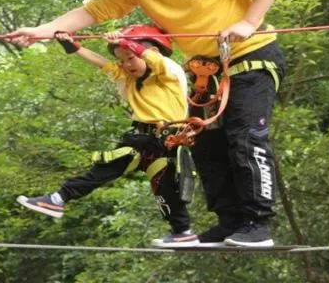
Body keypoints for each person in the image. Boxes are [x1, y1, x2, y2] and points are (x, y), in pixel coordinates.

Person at [8, 0, 287, 247]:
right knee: (207, 147)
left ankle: (258, 224)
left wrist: (248, 22)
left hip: (252, 54)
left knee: (245, 135)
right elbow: (93, 11)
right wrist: (42, 30)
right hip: (206, 70)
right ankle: (230, 223)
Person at [16, 25, 199, 248]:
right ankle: (183, 232)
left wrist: (125, 42)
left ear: (152, 53)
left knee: (165, 190)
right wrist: (74, 47)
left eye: (131, 58)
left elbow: (156, 60)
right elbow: (103, 63)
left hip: (164, 141)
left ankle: (182, 230)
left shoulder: (169, 74)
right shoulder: (129, 80)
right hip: (142, 139)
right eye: (123, 60)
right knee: (106, 171)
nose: (126, 65)